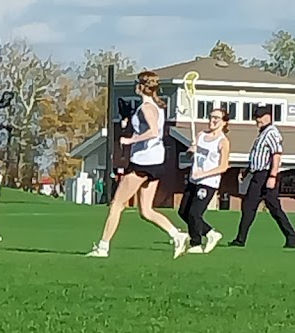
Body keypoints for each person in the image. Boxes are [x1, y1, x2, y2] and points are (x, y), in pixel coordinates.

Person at [88, 71, 189, 259]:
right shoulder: (155, 107)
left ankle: (102, 247)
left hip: (143, 162)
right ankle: (177, 235)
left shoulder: (146, 108)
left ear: (141, 86)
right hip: (155, 161)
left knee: (117, 204)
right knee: (146, 211)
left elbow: (153, 132)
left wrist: (131, 140)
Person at [230, 103, 295, 249]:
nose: (257, 120)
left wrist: (272, 176)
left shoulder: (271, 133)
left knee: (253, 206)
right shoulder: (263, 133)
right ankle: (291, 237)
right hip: (259, 174)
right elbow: (257, 157)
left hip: (265, 175)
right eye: (256, 117)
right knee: (268, 208)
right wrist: (247, 171)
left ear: (268, 117)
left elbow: (276, 155)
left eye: (260, 117)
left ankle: (241, 239)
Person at [178, 108, 229, 254]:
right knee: (183, 212)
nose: (213, 120)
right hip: (194, 179)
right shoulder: (200, 135)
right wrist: (191, 151)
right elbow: (189, 156)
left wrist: (204, 173)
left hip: (208, 182)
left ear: (224, 122)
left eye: (217, 118)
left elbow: (224, 166)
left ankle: (196, 244)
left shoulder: (222, 141)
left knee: (195, 213)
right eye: (211, 117)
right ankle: (211, 233)